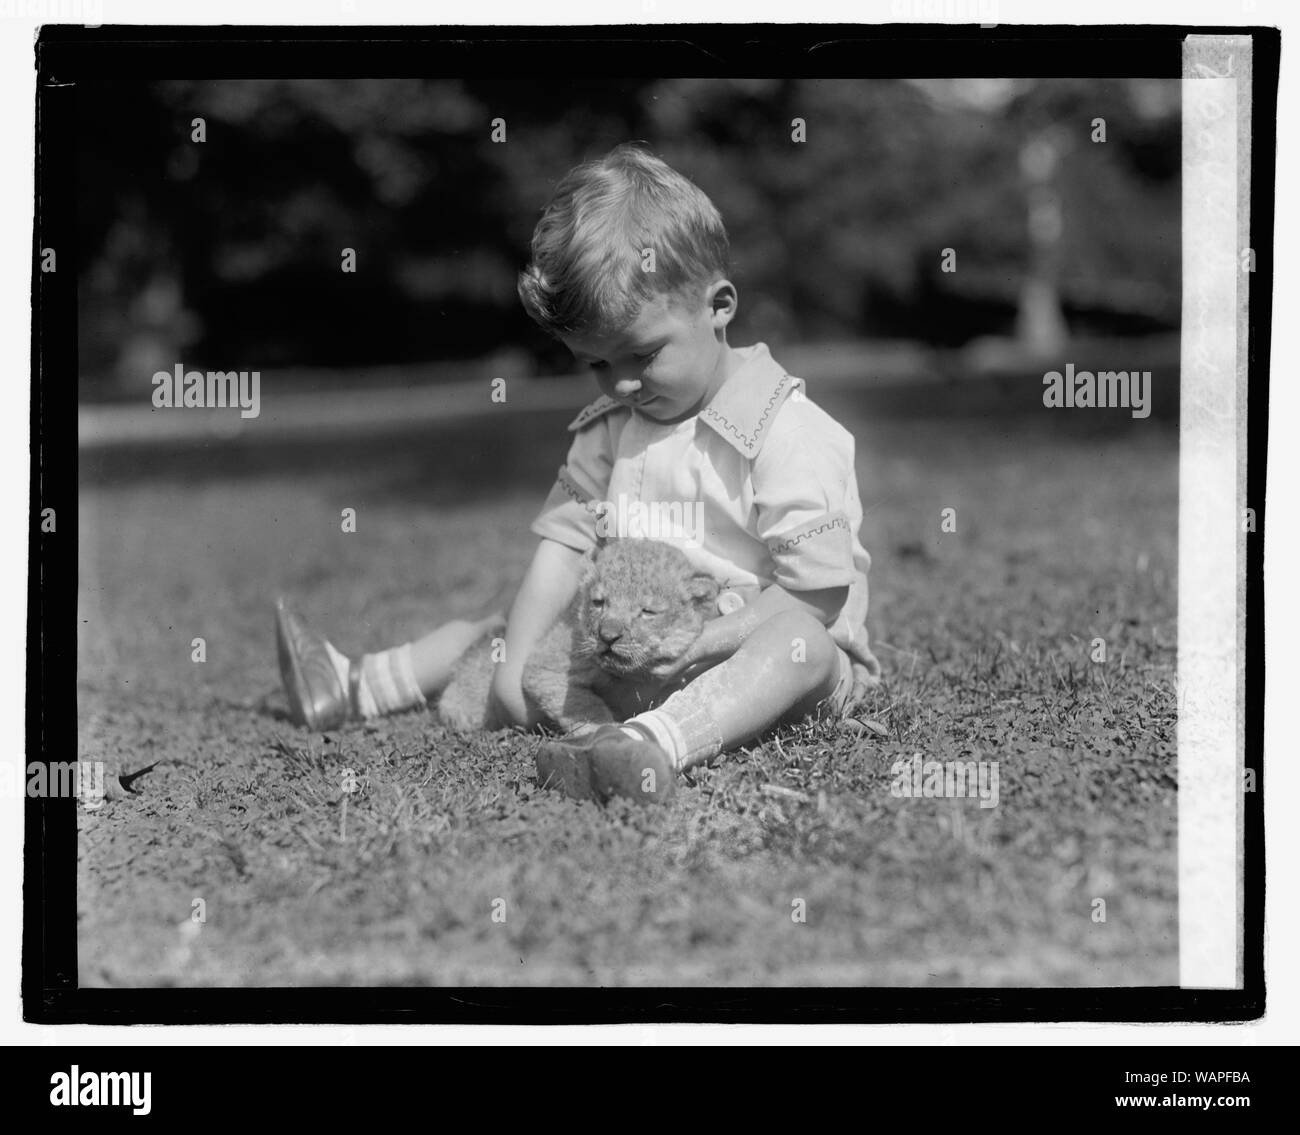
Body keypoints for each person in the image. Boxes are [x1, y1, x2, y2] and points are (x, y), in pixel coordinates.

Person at [276, 142, 881, 806]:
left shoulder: (786, 429)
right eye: (596, 363)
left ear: (719, 306)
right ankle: (361, 683)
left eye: (642, 353)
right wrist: (517, 665)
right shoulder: (610, 427)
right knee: (512, 628)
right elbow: (563, 548)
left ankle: (653, 746)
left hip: (773, 666)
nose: (621, 381)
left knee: (799, 644)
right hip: (639, 652)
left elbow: (815, 594)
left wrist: (703, 641)